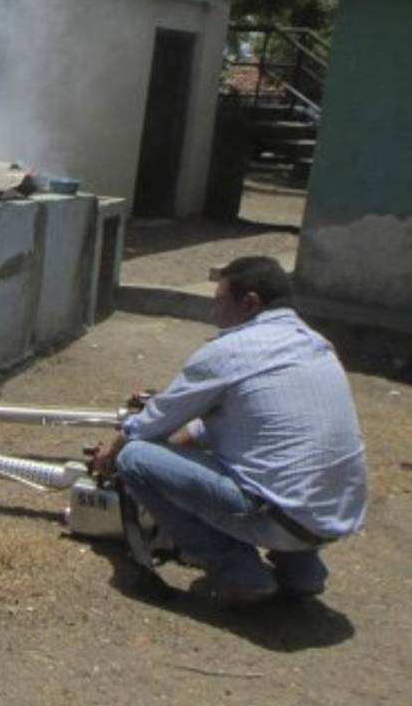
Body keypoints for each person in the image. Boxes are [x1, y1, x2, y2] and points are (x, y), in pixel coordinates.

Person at [92, 256, 367, 604]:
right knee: (283, 468)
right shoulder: (314, 345)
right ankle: (302, 573)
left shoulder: (230, 351)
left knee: (134, 459)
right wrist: (174, 456)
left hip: (276, 515)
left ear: (250, 303)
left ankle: (239, 571)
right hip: (334, 513)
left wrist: (111, 455)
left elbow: (150, 424)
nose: (213, 313)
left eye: (219, 301)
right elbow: (229, 426)